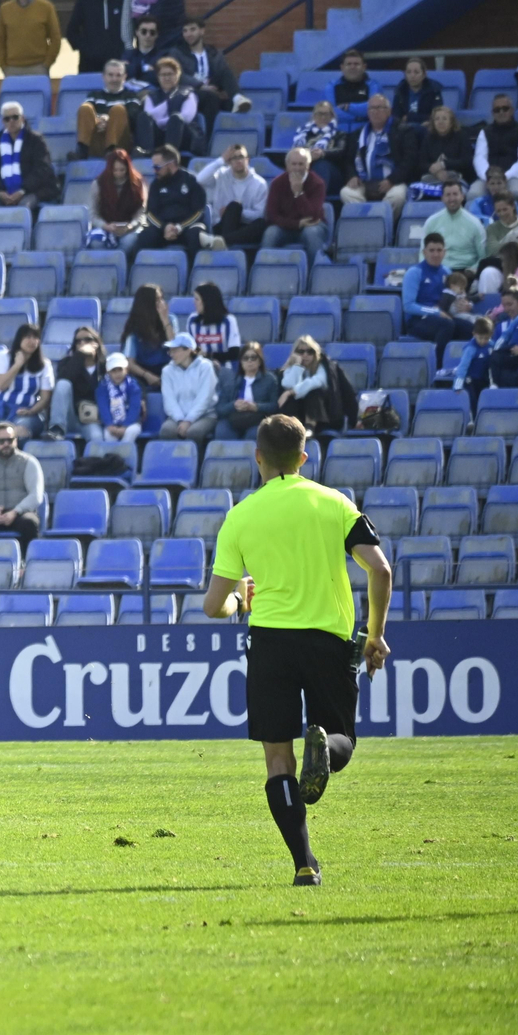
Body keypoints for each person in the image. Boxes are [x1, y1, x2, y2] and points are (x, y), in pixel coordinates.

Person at [203, 413, 391, 885]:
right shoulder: (335, 504)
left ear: (258, 457)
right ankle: (326, 749)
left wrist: (238, 599)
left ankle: (304, 863)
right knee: (340, 737)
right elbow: (381, 570)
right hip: (328, 640)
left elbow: (212, 606)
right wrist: (374, 635)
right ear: (304, 458)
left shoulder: (240, 515)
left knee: (277, 760)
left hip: (269, 643)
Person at [337, 94, 413, 217]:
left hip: (394, 181)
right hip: (364, 181)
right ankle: (367, 222)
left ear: (389, 111)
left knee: (397, 196)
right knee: (346, 193)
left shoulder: (403, 131)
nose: (374, 112)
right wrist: (352, 176)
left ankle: (383, 227)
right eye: (371, 108)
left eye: (379, 108)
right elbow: (348, 160)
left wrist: (392, 180)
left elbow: (409, 161)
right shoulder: (358, 134)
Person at [401, 234, 473, 351]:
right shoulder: (414, 272)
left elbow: (455, 295)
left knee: (469, 328)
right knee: (446, 325)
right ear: (424, 252)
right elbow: (408, 306)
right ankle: (438, 365)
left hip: (443, 316)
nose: (435, 254)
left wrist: (465, 305)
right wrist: (435, 312)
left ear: (444, 252)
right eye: (431, 250)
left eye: (439, 250)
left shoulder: (446, 271)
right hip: (418, 320)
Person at [0, 102, 59, 215]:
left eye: (15, 117)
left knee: (22, 209)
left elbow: (43, 169)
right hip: (4, 192)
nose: (11, 121)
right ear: (3, 122)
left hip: (34, 190)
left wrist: (23, 190)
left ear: (22, 118)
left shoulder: (36, 140)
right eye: (7, 119)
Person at [136, 145, 206, 260]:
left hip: (187, 227)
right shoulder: (156, 184)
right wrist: (165, 227)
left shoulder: (191, 181)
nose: (155, 171)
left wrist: (179, 227)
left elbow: (198, 212)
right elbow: (150, 213)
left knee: (196, 235)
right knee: (145, 236)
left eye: (157, 167)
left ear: (171, 164)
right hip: (163, 229)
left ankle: (195, 273)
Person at [0, 324, 53, 441]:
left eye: (36, 337)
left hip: (27, 413)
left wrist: (31, 411)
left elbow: (45, 398)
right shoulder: (4, 357)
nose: (32, 341)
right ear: (19, 339)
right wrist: (17, 365)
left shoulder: (44, 365)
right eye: (27, 337)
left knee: (18, 433)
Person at [277, 336, 357, 433]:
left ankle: (309, 427)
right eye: (301, 352)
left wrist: (291, 392)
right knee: (290, 399)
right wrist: (297, 366)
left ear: (315, 353)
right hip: (301, 412)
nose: (305, 355)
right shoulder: (292, 366)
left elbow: (317, 381)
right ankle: (293, 428)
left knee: (313, 391)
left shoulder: (323, 366)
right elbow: (288, 384)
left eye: (310, 352)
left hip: (325, 415)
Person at [197, 143, 267, 249]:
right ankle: (224, 241)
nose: (238, 161)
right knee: (235, 206)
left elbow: (260, 213)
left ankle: (221, 242)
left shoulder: (259, 183)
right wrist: (221, 160)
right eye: (234, 158)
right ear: (229, 161)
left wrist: (240, 213)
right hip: (222, 225)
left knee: (262, 223)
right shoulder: (221, 175)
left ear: (248, 160)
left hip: (246, 227)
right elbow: (200, 179)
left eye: (241, 157)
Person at [262, 147, 330, 257]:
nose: (297, 168)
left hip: (313, 225)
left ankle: (315, 271)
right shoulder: (277, 183)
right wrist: (296, 224)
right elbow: (271, 215)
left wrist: (298, 193)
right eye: (294, 164)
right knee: (271, 233)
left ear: (308, 165)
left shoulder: (318, 184)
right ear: (287, 165)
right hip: (285, 226)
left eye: (301, 164)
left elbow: (312, 216)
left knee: (311, 233)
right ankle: (265, 269)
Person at [76, 61, 145, 160]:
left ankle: (112, 152)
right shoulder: (94, 96)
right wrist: (100, 120)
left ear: (124, 77)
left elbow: (132, 120)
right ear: (103, 76)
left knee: (118, 109)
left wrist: (109, 120)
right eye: (110, 75)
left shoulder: (131, 97)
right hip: (97, 142)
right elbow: (85, 118)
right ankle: (82, 151)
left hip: (121, 144)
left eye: (118, 75)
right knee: (85, 108)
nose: (114, 79)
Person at [470, 94, 518, 201]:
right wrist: (489, 177)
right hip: (487, 178)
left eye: (505, 108)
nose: (501, 112)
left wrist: (505, 177)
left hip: (515, 177)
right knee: (473, 195)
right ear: (492, 113)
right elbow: (479, 158)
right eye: (497, 110)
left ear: (512, 110)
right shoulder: (485, 132)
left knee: (517, 195)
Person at [174, 17, 241, 115]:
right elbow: (178, 75)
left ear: (202, 31)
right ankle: (209, 130)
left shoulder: (214, 53)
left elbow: (223, 74)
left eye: (192, 29)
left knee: (229, 103)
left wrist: (219, 90)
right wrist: (201, 86)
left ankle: (238, 99)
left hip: (212, 89)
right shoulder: (178, 53)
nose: (188, 34)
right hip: (190, 92)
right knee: (211, 98)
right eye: (185, 31)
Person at [159, 332, 218, 441]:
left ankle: (198, 458)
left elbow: (204, 398)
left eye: (175, 350)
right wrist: (180, 420)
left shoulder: (205, 367)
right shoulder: (167, 371)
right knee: (167, 430)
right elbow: (169, 400)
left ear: (188, 350)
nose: (171, 354)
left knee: (194, 433)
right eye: (170, 351)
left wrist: (189, 420)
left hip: (205, 415)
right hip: (177, 418)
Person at [214, 343, 279, 440]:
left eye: (253, 357)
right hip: (233, 418)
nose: (250, 361)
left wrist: (256, 407)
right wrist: (234, 405)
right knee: (222, 433)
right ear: (241, 361)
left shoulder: (270, 380)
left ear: (260, 361)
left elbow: (275, 406)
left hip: (258, 418)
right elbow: (220, 409)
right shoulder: (231, 380)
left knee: (253, 435)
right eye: (245, 358)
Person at [50, 326, 105, 435]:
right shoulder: (66, 363)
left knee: (96, 436)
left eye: (87, 339)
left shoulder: (105, 366)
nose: (82, 343)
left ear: (96, 343)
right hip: (70, 417)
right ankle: (56, 428)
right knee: (62, 384)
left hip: (92, 418)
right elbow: (63, 381)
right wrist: (79, 355)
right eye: (78, 341)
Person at [89, 147, 147, 251]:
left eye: (122, 170)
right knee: (96, 242)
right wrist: (105, 226)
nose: (118, 174)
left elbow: (141, 211)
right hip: (106, 227)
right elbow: (93, 213)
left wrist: (130, 226)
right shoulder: (98, 184)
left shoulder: (138, 184)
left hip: (130, 229)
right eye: (115, 170)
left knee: (129, 242)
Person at [142, 57, 201, 155]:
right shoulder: (151, 96)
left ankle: (169, 156)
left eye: (170, 74)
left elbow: (186, 117)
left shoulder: (188, 93)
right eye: (163, 75)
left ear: (178, 75)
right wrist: (168, 103)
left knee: (176, 118)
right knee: (143, 117)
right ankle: (147, 154)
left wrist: (163, 121)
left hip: (182, 135)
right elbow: (149, 114)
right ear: (158, 77)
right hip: (159, 136)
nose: (167, 78)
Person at [0, 0, 60, 77]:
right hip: (12, 68)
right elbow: (0, 39)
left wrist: (47, 63)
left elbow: (55, 37)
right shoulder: (5, 9)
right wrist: (3, 65)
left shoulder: (46, 7)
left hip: (38, 67)